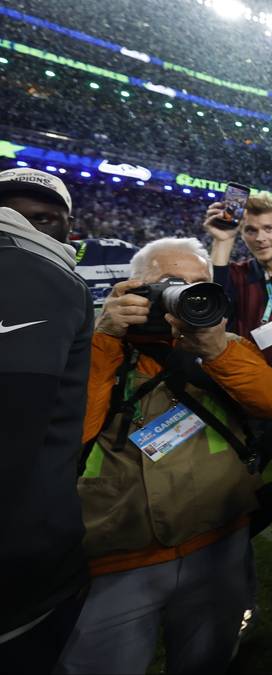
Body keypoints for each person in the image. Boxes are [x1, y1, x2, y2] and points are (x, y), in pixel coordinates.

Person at [59, 238, 272, 674]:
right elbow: (69, 433)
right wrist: (106, 338)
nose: (185, 295)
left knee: (209, 662)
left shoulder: (225, 346)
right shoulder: (93, 344)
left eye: (199, 285)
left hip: (219, 542)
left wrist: (216, 350)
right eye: (169, 283)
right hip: (119, 558)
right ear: (132, 287)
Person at [0, 169, 91, 672]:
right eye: (9, 213)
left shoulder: (51, 281)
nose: (16, 227)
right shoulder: (53, 280)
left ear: (67, 233)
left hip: (24, 575)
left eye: (41, 219)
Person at [204, 194, 272, 353]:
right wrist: (223, 240)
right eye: (250, 230)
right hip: (249, 370)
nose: (260, 238)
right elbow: (211, 309)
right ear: (241, 233)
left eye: (268, 229)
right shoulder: (236, 275)